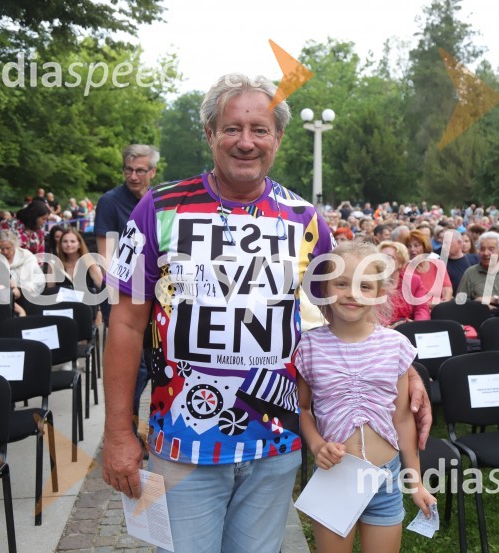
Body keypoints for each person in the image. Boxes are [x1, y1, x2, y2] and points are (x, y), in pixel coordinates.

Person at [100, 73, 432, 553]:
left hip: (274, 441)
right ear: (210, 133)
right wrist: (116, 431)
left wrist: (401, 369)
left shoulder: (304, 219)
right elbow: (126, 322)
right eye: (232, 128)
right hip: (185, 438)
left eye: (260, 130)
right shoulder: (159, 208)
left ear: (277, 138)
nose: (245, 141)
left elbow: (344, 310)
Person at [295, 240, 435, 552]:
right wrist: (317, 445)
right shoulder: (309, 347)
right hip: (336, 475)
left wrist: (416, 482)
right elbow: (303, 409)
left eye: (365, 286)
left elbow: (402, 416)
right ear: (326, 289)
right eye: (342, 283)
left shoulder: (395, 345)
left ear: (380, 292)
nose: (352, 293)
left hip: (385, 478)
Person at [95, 144, 159, 455]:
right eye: (128, 170)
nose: (133, 176)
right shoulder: (110, 202)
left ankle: (155, 430)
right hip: (125, 296)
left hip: (157, 298)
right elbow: (106, 254)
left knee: (157, 366)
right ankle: (126, 433)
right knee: (134, 371)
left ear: (152, 172)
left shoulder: (159, 200)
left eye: (140, 170)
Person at [379, 240, 430, 325]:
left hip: (408, 328)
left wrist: (416, 325)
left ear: (400, 263)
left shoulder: (413, 281)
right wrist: (388, 328)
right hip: (382, 331)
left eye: (390, 257)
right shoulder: (372, 283)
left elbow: (422, 309)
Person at [456, 231, 499, 310]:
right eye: (482, 249)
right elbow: (459, 302)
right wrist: (478, 305)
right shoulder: (470, 273)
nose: (485, 253)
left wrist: (493, 299)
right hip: (479, 318)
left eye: (491, 249)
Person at [44, 227, 104, 295]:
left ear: (79, 244)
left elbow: (102, 285)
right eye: (65, 241)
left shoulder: (89, 262)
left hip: (86, 304)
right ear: (60, 244)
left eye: (72, 241)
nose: (68, 245)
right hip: (63, 304)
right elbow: (50, 292)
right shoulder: (54, 264)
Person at [404, 230, 452, 307]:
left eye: (416, 245)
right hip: (419, 310)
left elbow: (447, 287)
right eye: (409, 246)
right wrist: (431, 305)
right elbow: (409, 299)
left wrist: (445, 301)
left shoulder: (438, 264)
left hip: (440, 308)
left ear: (424, 247)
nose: (412, 249)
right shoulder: (405, 269)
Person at [0, 229, 45, 304]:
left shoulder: (26, 256)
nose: (5, 252)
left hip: (27, 297)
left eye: (8, 248)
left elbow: (38, 278)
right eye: (2, 249)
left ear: (14, 244)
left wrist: (26, 289)